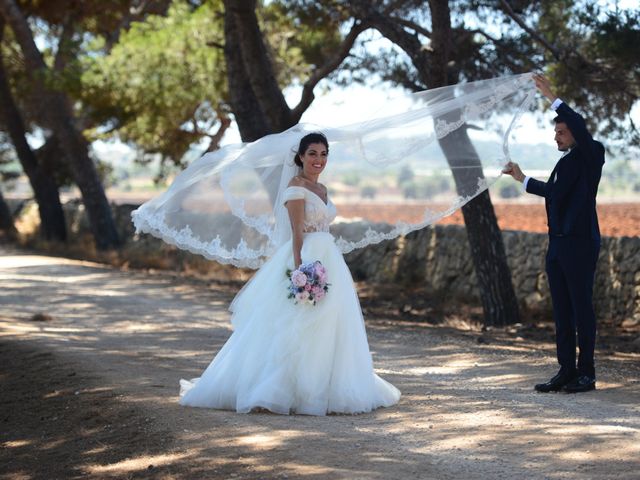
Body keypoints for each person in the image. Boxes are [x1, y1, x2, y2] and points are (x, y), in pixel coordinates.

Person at [178, 132, 401, 415]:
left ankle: (327, 386)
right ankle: (278, 389)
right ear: (300, 157)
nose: (318, 160)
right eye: (312, 154)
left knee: (330, 324)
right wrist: (301, 273)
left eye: (323, 154)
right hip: (307, 260)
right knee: (295, 324)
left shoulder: (322, 189)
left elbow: (323, 228)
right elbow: (297, 234)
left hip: (329, 258)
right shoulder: (296, 188)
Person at [503, 74, 605, 393]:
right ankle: (566, 370)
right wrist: (521, 178)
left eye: (561, 132)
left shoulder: (591, 154)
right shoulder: (565, 162)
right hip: (557, 248)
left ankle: (586, 373)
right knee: (561, 310)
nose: (556, 138)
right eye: (555, 132)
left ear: (575, 133)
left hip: (580, 246)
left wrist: (551, 95)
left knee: (581, 309)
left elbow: (580, 125)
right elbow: (555, 193)